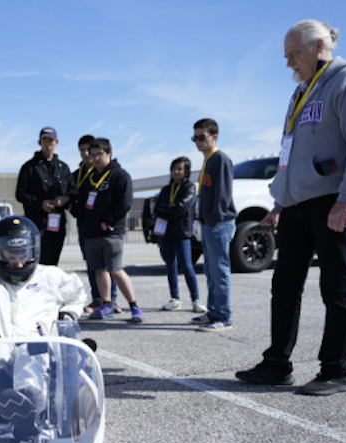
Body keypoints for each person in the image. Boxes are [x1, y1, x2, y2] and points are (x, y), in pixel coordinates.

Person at [236, 19, 346, 396]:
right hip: (297, 205)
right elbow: (291, 153)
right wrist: (280, 203)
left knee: (336, 286)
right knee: (284, 285)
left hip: (332, 200)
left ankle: (336, 369)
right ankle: (276, 364)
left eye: (294, 55)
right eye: (286, 57)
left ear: (319, 46)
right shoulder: (302, 91)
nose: (289, 64)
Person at [0, 216, 88, 439]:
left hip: (37, 347)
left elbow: (77, 293)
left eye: (23, 255)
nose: (19, 264)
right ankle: (9, 395)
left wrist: (68, 315)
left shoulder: (50, 276)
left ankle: (26, 405)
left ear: (33, 250)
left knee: (30, 353)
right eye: (11, 256)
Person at [70, 138, 144, 323]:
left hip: (111, 233)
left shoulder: (119, 175)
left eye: (99, 154)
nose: (95, 158)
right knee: (99, 270)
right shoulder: (89, 178)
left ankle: (134, 306)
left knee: (116, 269)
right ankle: (106, 304)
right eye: (92, 155)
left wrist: (108, 222)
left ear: (108, 154)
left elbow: (124, 203)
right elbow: (80, 202)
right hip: (91, 233)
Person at [190, 118, 236, 332]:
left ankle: (224, 315)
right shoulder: (208, 160)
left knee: (220, 270)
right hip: (208, 223)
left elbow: (223, 195)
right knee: (210, 270)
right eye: (195, 138)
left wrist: (214, 219)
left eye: (202, 137)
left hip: (219, 223)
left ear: (214, 137)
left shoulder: (221, 159)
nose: (198, 142)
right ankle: (214, 311)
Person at [70, 134, 120, 314]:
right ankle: (97, 298)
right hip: (85, 226)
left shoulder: (106, 173)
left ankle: (111, 300)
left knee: (110, 265)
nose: (86, 155)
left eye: (88, 151)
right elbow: (72, 197)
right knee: (92, 264)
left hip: (104, 227)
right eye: (82, 151)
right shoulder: (77, 174)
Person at [152, 157, 206, 313]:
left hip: (182, 233)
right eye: (174, 169)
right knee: (170, 265)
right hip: (166, 234)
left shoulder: (190, 188)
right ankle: (175, 298)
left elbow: (181, 208)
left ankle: (196, 299)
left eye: (179, 169)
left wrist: (167, 210)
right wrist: (170, 210)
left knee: (187, 266)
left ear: (186, 171)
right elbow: (157, 208)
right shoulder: (165, 190)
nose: (176, 172)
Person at [15, 127, 73, 266]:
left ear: (57, 142)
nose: (48, 144)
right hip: (37, 223)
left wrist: (65, 199)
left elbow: (73, 190)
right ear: (39, 142)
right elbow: (20, 194)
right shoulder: (29, 167)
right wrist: (40, 203)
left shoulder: (63, 168)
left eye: (51, 141)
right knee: (38, 261)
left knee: (53, 261)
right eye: (45, 141)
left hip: (58, 223)